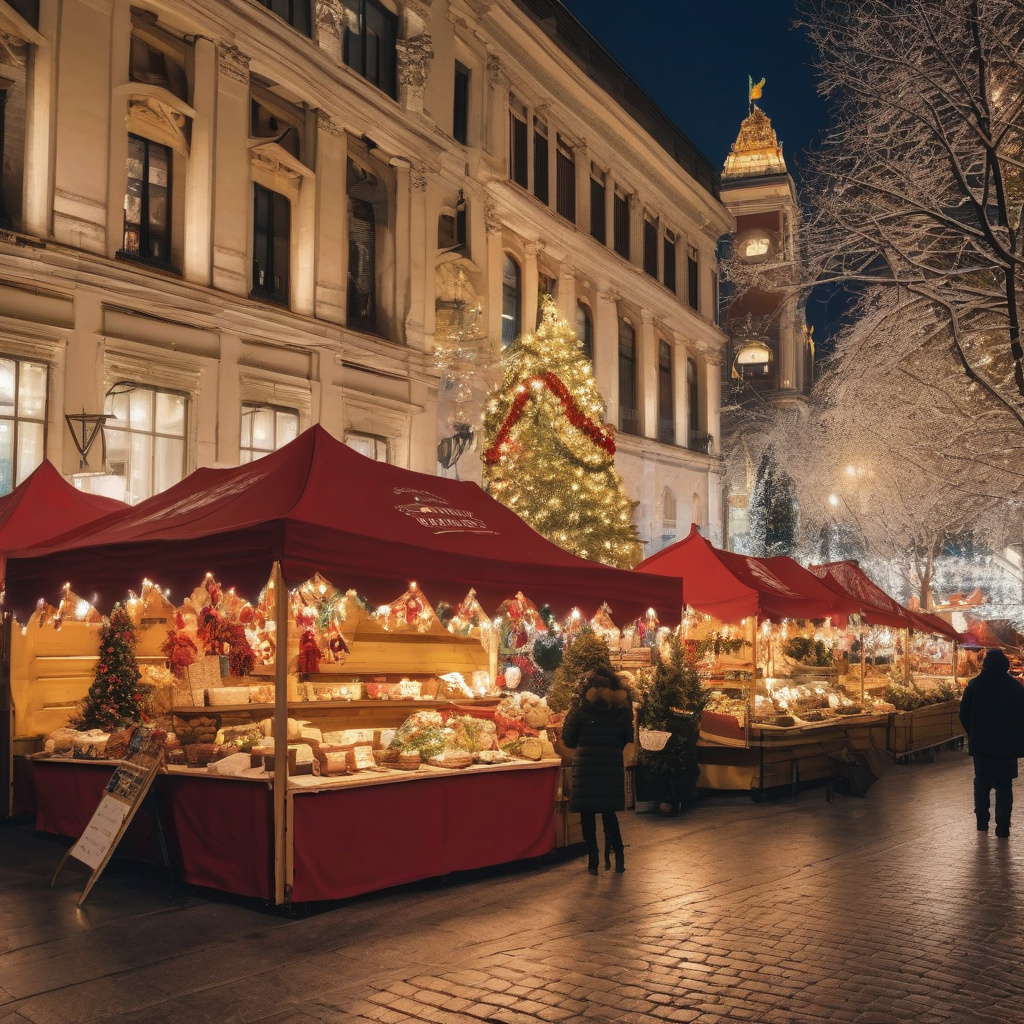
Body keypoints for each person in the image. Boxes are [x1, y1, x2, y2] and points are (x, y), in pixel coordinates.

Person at [561, 668, 633, 874]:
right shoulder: (622, 710)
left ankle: (593, 860)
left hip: (586, 768)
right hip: (610, 766)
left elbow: (568, 738)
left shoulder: (580, 710)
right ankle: (619, 857)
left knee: (587, 814)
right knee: (609, 813)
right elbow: (627, 738)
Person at [958, 648, 1024, 837]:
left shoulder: (975, 685)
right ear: (1005, 665)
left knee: (982, 782)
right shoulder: (1016, 687)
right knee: (1004, 784)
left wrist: (973, 733)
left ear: (985, 665)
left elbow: (963, 713)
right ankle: (1003, 824)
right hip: (1007, 746)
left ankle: (981, 822)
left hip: (982, 745)